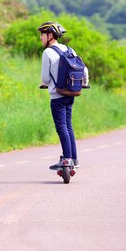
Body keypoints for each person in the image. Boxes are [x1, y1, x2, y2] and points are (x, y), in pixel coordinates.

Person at [38, 21, 89, 170]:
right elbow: (83, 69)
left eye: (42, 35)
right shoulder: (69, 49)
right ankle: (74, 158)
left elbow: (45, 78)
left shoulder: (47, 52)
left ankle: (66, 159)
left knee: (61, 127)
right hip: (71, 93)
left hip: (57, 96)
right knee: (68, 126)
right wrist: (84, 83)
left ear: (50, 35)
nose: (41, 38)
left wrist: (45, 83)